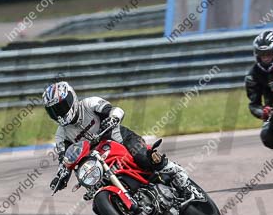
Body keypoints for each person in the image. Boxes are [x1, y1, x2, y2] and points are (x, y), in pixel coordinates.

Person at [43, 81, 190, 191]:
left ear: (71, 99)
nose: (59, 113)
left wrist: (113, 118)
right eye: (54, 111)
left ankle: (172, 169)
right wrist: (60, 176)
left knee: (143, 157)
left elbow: (115, 109)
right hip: (97, 162)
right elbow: (65, 159)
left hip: (120, 140)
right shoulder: (61, 135)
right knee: (94, 192)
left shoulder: (89, 104)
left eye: (61, 107)